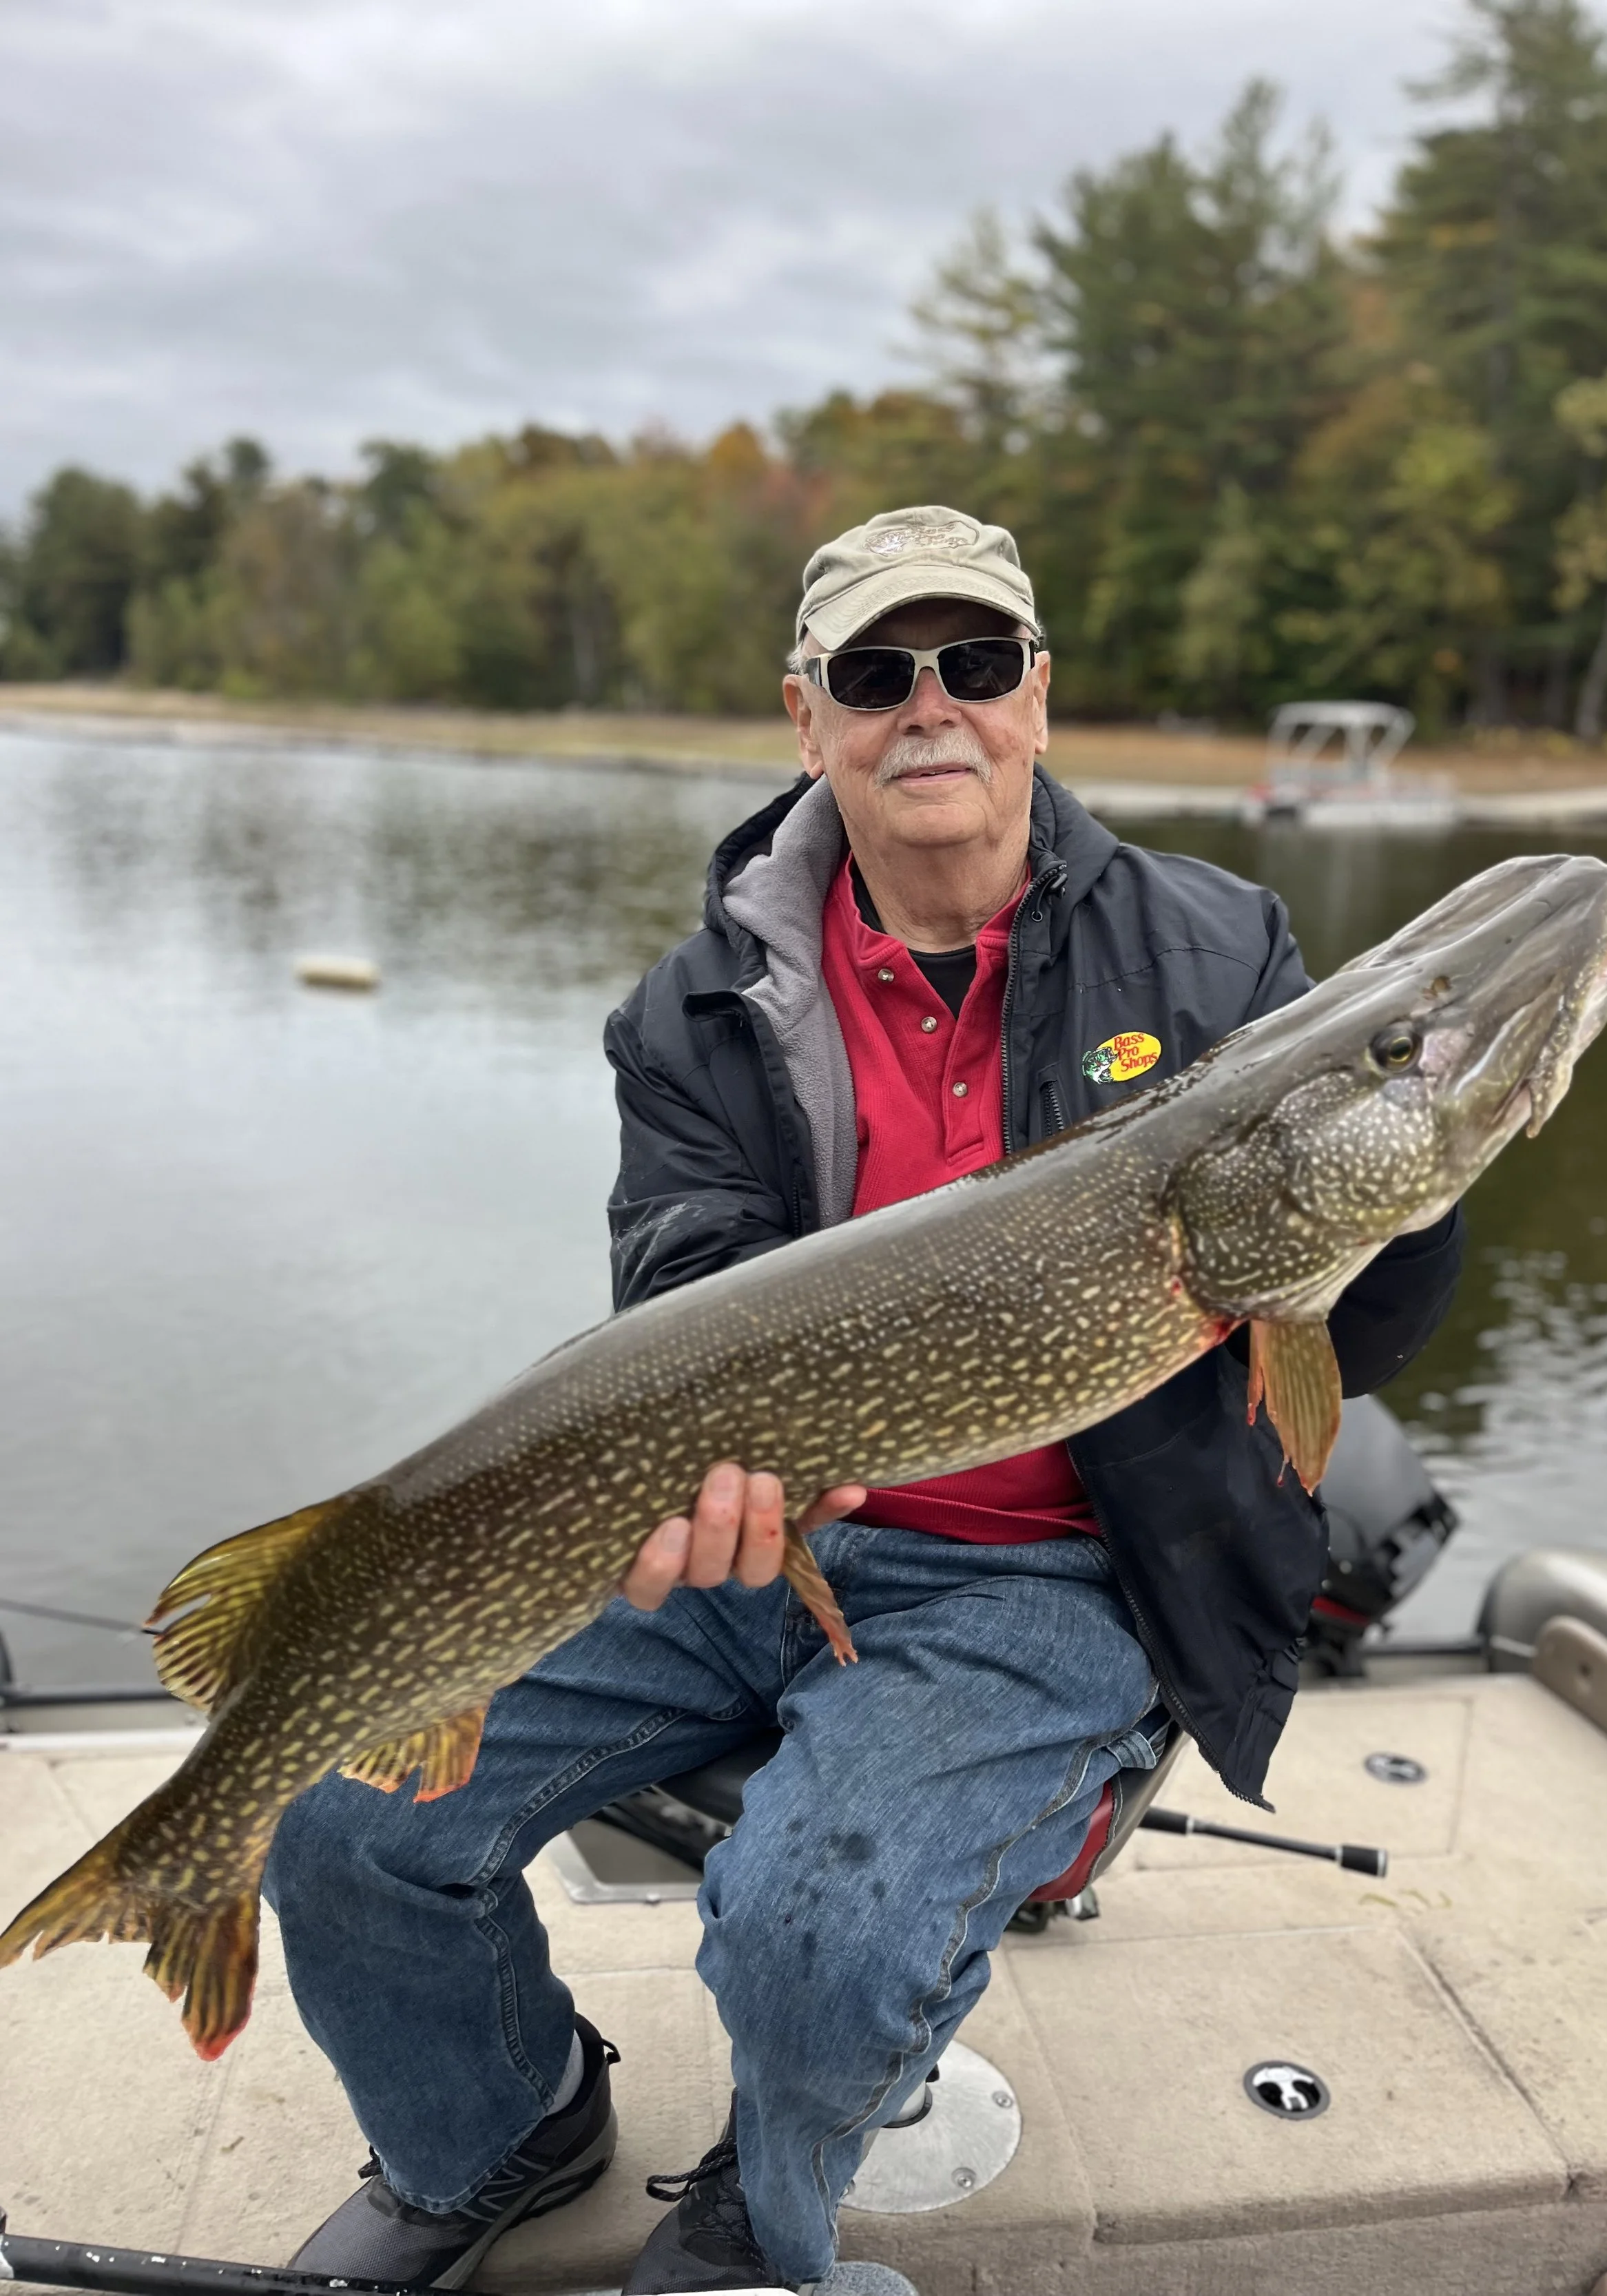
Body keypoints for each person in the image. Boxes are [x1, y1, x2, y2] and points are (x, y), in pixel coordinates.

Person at [266, 505, 1465, 2296]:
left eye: (973, 664)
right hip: (753, 1540)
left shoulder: (1218, 956)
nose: (931, 707)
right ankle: (499, 2127)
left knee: (814, 1942)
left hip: (1051, 1572)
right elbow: (676, 1289)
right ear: (805, 717)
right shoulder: (693, 1008)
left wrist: (1419, 1184)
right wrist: (732, 1490)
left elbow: (1348, 1336)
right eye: (875, 673)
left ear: (1035, 700)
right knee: (339, 1819)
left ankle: (767, 2204)